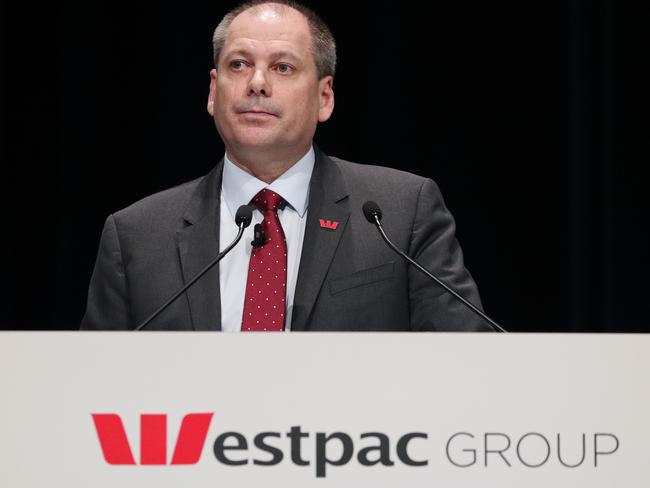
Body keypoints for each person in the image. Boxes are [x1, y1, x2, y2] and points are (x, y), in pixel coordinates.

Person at [81, 0, 493, 332]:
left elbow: (467, 361)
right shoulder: (135, 236)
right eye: (238, 64)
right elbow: (93, 387)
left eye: (283, 67)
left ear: (324, 97)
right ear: (212, 91)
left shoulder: (398, 215)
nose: (257, 83)